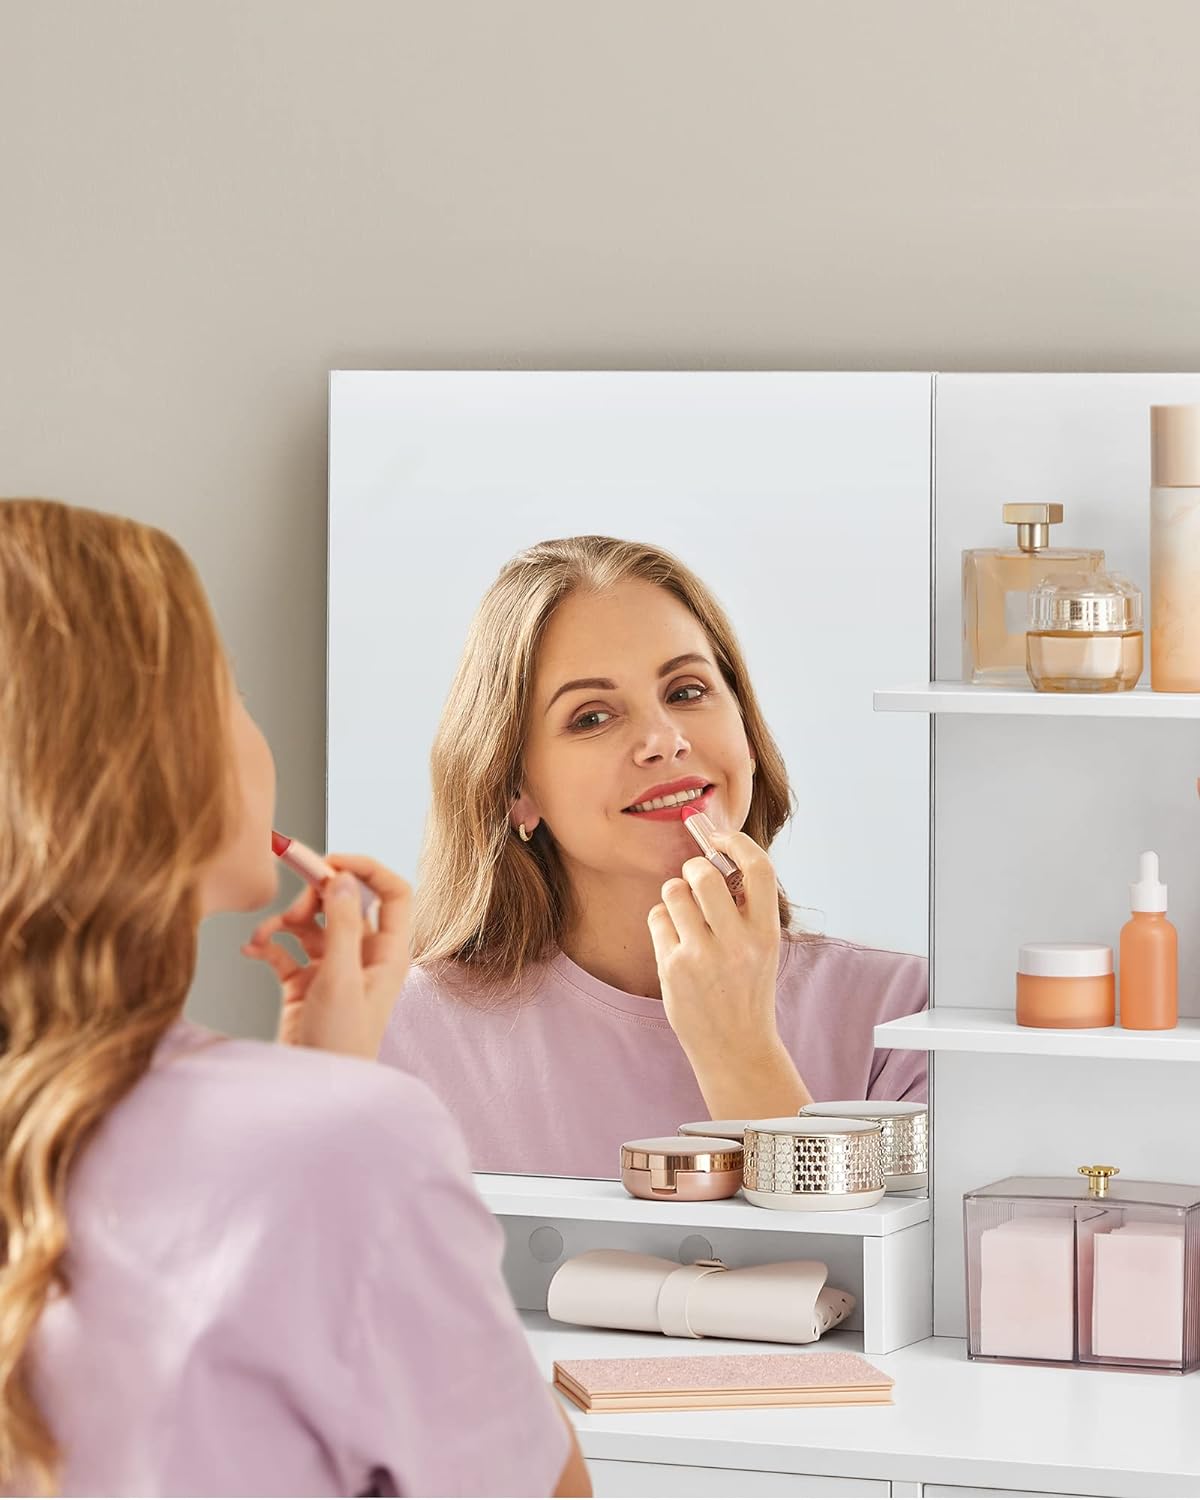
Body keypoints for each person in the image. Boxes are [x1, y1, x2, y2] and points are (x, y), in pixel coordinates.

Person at [0, 499, 588, 1498]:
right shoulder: (348, 1142)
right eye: (224, 691)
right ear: (154, 761)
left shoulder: (328, 1133)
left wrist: (319, 1084)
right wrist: (326, 1111)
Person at [377, 535, 927, 1178]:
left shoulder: (907, 1019)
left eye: (688, 691)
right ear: (515, 791)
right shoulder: (400, 1038)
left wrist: (741, 1052)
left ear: (745, 734)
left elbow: (882, 1281)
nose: (663, 741)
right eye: (591, 717)